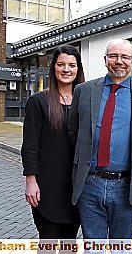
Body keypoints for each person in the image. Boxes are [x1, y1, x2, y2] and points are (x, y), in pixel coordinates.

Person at [68, 39, 132, 239]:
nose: (119, 61)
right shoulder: (84, 90)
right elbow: (73, 131)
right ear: (105, 59)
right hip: (90, 183)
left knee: (121, 246)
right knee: (93, 245)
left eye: (125, 57)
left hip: (126, 185)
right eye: (113, 56)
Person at [21, 45, 84, 239]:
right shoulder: (38, 102)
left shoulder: (85, 101)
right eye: (61, 64)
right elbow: (29, 145)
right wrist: (31, 181)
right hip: (47, 185)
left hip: (76, 186)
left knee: (69, 240)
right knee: (47, 240)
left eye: (72, 65)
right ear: (53, 68)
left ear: (78, 69)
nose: (66, 70)